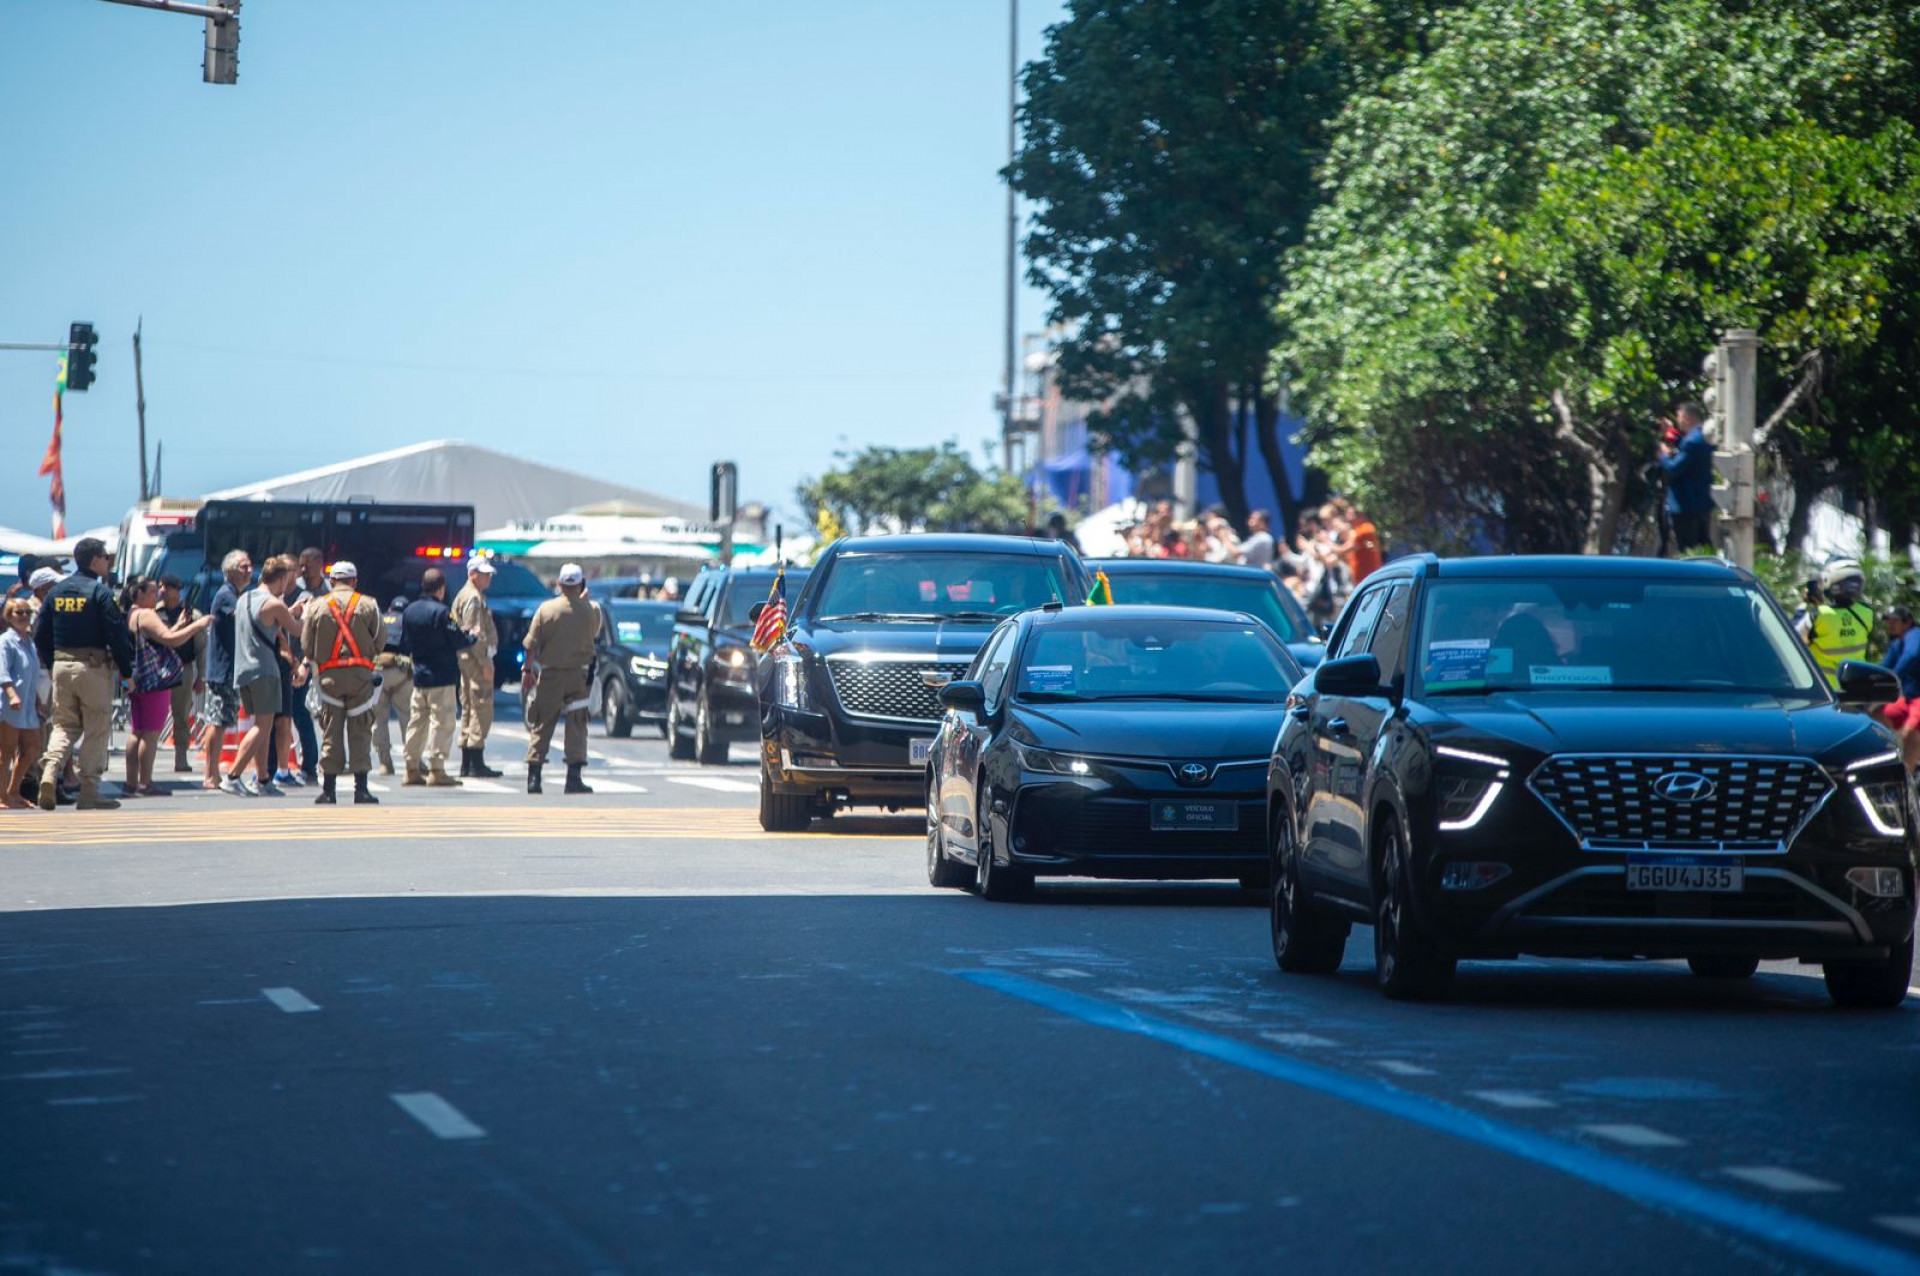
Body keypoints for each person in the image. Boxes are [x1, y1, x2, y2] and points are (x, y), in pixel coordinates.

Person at [31, 537, 134, 810]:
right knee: (96, 728)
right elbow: (117, 634)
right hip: (93, 668)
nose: (108, 562)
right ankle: (89, 790)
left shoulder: (57, 592)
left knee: (64, 724)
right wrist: (127, 671)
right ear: (95, 560)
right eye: (105, 557)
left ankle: (50, 772)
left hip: (62, 667)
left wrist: (54, 660)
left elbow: (40, 633)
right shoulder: (100, 593)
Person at [299, 560, 386, 805]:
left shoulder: (317, 606)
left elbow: (306, 645)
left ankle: (329, 790)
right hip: (360, 678)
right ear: (355, 581)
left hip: (329, 681)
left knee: (330, 732)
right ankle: (361, 789)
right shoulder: (369, 604)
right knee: (360, 730)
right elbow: (380, 641)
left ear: (332, 580)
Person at [121, 576, 214, 798]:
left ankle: (131, 781)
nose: (158, 595)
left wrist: (180, 625)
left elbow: (160, 636)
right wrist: (196, 626)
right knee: (151, 733)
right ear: (140, 594)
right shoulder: (146, 614)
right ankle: (145, 782)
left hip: (137, 678)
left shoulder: (131, 615)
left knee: (137, 730)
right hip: (154, 679)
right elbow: (170, 639)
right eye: (153, 591)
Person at [521, 562, 600, 795]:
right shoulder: (590, 610)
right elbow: (594, 631)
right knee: (577, 724)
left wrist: (527, 671)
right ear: (580, 584)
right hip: (579, 676)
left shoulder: (546, 610)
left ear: (559, 584)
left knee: (543, 722)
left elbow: (531, 645)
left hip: (551, 675)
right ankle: (573, 778)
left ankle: (534, 778)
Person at [233, 556, 303, 797]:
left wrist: (288, 612)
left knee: (261, 724)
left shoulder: (245, 599)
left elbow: (264, 623)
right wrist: (311, 615)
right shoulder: (275, 603)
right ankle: (233, 775)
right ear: (282, 579)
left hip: (244, 669)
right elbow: (296, 629)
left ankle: (262, 779)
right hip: (265, 670)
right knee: (263, 728)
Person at [401, 567, 475, 788]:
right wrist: (472, 636)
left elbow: (405, 645)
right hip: (442, 676)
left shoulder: (410, 611)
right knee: (441, 723)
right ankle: (436, 769)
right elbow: (458, 641)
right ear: (441, 588)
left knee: (417, 722)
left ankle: (411, 768)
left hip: (419, 676)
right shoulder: (443, 613)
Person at [275, 546, 328, 788]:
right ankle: (277, 766)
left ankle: (309, 767)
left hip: (301, 663)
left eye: (290, 569)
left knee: (300, 715)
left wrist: (305, 664)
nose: (289, 574)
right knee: (280, 716)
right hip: (279, 664)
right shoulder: (276, 596)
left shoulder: (307, 597)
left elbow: (314, 635)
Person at [202, 551, 251, 792]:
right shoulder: (226, 595)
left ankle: (212, 773)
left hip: (228, 668)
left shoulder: (235, 594)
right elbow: (243, 616)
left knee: (221, 720)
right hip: (223, 669)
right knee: (217, 721)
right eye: (244, 567)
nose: (249, 570)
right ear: (230, 570)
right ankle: (210, 774)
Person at [451, 557, 502, 778]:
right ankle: (475, 761)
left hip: (466, 658)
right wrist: (484, 664)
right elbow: (474, 634)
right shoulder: (472, 597)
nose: (489, 578)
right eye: (484, 574)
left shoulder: (466, 595)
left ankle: (467, 762)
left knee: (469, 706)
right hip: (474, 659)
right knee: (481, 706)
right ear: (473, 574)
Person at [155, 574, 206, 774]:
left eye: (167, 587)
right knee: (154, 716)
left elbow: (201, 648)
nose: (163, 591)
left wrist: (201, 676)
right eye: (161, 587)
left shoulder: (193, 616)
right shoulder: (154, 613)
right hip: (158, 669)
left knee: (181, 715)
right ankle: (146, 758)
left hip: (183, 669)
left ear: (177, 590)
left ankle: (181, 758)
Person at [1804, 559, 1876, 689]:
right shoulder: (1867, 613)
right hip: (1856, 688)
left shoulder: (1819, 615)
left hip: (1824, 690)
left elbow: (1792, 642)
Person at [0, 597, 42, 809]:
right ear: (8, 616)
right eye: (19, 612)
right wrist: (11, 694)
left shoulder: (28, 640)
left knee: (33, 747)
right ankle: (2, 796)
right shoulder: (6, 641)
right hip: (9, 703)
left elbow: (31, 673)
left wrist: (37, 698)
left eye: (27, 612)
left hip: (27, 703)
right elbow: (3, 671)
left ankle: (13, 791)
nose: (24, 616)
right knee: (6, 751)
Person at [1658, 402, 1715, 553]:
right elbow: (1687, 448)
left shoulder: (1691, 442)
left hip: (1685, 505)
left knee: (1687, 549)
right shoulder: (1703, 436)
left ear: (1685, 418)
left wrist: (1663, 456)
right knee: (1704, 546)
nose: (1678, 421)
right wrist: (1670, 432)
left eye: (1678, 417)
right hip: (1701, 503)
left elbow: (1674, 468)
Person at [373, 593, 413, 776]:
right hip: (400, 673)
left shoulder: (379, 618)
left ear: (390, 609)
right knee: (407, 718)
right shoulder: (407, 620)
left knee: (378, 720)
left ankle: (384, 763)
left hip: (377, 671)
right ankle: (413, 762)